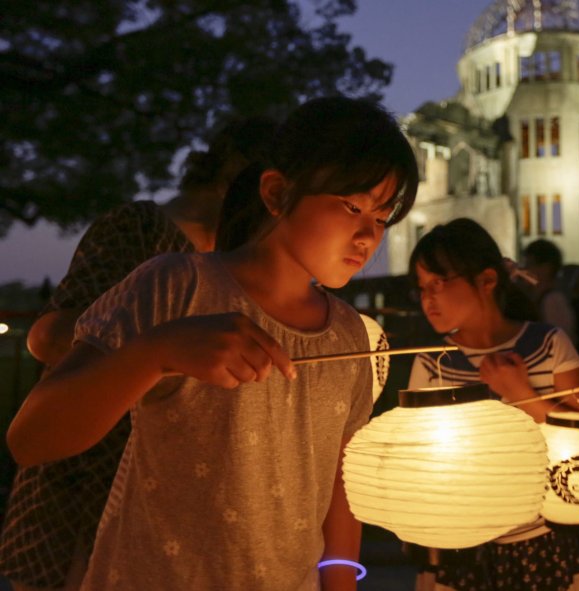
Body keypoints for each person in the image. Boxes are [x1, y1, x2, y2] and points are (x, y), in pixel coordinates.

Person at [5, 96, 419, 590]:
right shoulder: (177, 287)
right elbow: (31, 439)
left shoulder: (352, 336)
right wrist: (158, 351)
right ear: (277, 192)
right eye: (352, 206)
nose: (367, 236)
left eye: (381, 217)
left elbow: (339, 481)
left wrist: (339, 580)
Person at [0, 116, 276, 591]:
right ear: (237, 169)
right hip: (88, 469)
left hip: (171, 490)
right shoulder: (142, 230)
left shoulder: (238, 260)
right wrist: (162, 345)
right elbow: (46, 337)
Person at [407, 218, 579, 591]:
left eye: (439, 283)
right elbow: (418, 460)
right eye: (422, 287)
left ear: (487, 281)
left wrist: (521, 393)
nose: (428, 298)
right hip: (460, 541)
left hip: (539, 537)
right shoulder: (431, 362)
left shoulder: (549, 346)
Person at [523, 239, 579, 400]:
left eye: (530, 265)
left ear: (546, 268)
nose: (526, 271)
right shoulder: (550, 298)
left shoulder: (552, 300)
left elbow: (562, 342)